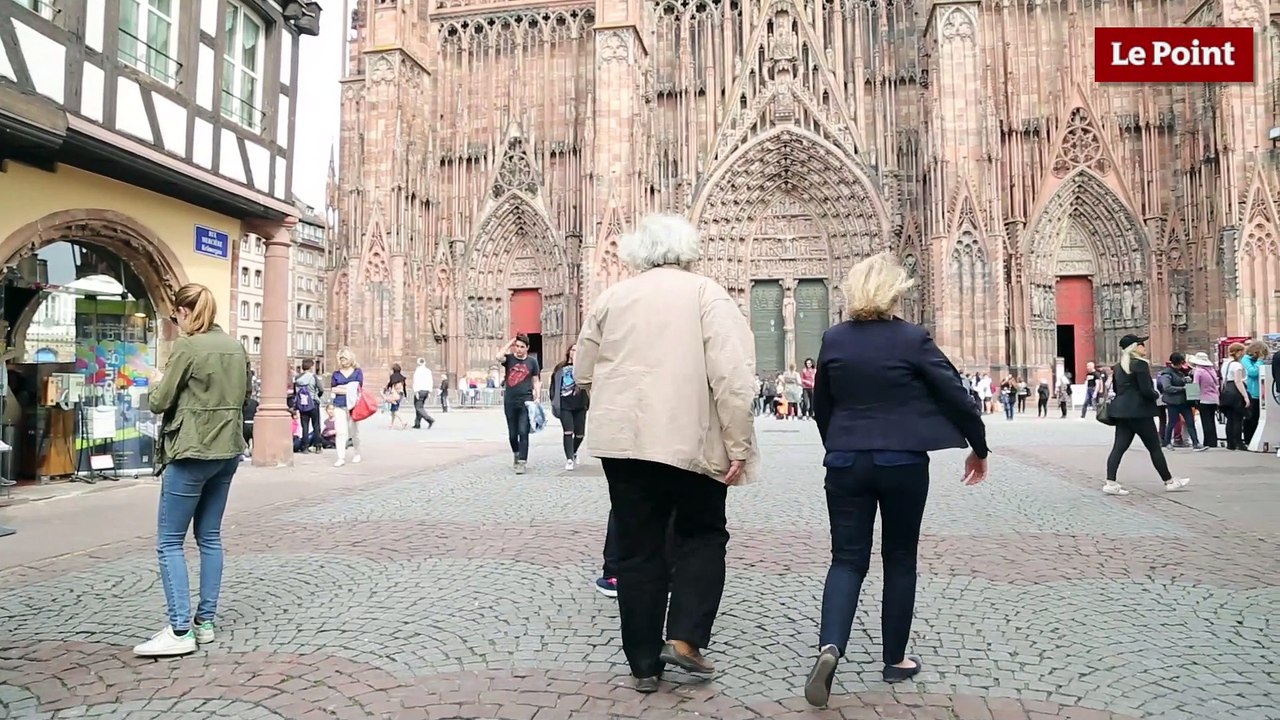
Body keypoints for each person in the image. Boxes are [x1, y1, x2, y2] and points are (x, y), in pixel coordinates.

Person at [575, 213, 757, 694]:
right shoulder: (706, 294)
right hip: (690, 440)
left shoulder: (612, 298)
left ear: (640, 253)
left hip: (625, 445)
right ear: (686, 250)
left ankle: (642, 663)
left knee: (637, 549)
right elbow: (733, 379)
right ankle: (684, 638)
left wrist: (614, 409)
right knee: (702, 534)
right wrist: (739, 444)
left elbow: (583, 369)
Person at [802, 253, 989, 708]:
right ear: (893, 292)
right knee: (900, 557)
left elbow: (822, 405)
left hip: (846, 461)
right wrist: (978, 447)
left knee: (846, 559)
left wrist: (839, 445)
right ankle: (894, 659)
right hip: (901, 462)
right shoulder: (911, 338)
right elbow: (956, 395)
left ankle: (830, 648)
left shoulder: (834, 339)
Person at [133, 283, 249, 657]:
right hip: (227, 451)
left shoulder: (187, 346)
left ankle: (181, 629)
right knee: (210, 538)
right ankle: (205, 623)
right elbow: (243, 396)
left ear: (184, 312)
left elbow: (160, 401)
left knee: (169, 542)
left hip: (191, 452)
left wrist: (154, 380)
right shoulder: (234, 346)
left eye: (175, 315)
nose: (176, 321)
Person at [1102, 335, 1190, 496]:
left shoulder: (1118, 366)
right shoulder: (1140, 364)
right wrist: (1155, 394)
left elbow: (1118, 389)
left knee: (1118, 447)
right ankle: (1169, 481)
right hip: (1140, 412)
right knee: (1154, 447)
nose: (1144, 347)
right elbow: (1145, 390)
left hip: (1122, 412)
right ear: (1134, 347)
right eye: (1141, 344)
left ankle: (1110, 482)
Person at [496, 334, 542, 474]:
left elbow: (535, 380)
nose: (519, 349)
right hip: (510, 400)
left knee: (523, 431)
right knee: (512, 434)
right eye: (517, 346)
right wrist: (510, 343)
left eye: (522, 347)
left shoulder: (532, 362)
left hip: (526, 401)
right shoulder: (509, 359)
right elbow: (498, 357)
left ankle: (522, 461)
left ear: (527, 348)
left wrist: (537, 395)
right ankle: (516, 453)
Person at [551, 345, 589, 470]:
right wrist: (553, 399)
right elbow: (554, 384)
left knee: (580, 434)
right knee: (568, 431)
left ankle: (573, 451)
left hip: (580, 404)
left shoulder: (584, 368)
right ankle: (569, 459)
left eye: (578, 350)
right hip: (564, 404)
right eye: (573, 350)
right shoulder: (560, 368)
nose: (575, 352)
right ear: (568, 352)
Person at [1157, 353, 1204, 451]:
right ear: (1178, 362)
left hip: (1185, 402)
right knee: (1172, 422)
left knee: (1190, 422)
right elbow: (1167, 387)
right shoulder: (1167, 374)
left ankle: (1196, 443)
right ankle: (1167, 442)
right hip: (1173, 402)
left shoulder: (1180, 372)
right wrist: (1183, 388)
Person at [330, 348, 364, 467]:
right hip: (339, 404)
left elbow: (358, 388)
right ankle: (341, 457)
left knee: (354, 432)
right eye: (340, 358)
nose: (342, 361)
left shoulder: (357, 372)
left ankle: (357, 453)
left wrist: (342, 388)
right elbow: (333, 389)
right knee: (340, 432)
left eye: (344, 358)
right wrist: (348, 388)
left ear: (350, 358)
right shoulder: (336, 374)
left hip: (354, 406)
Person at [1220, 342, 1250, 450]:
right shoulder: (1237, 365)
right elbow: (1238, 381)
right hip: (1235, 392)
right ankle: (1239, 442)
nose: (1243, 354)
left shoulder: (1225, 364)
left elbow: (1223, 380)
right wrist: (1245, 396)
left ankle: (1230, 443)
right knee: (1238, 419)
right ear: (1238, 352)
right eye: (1242, 351)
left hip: (1226, 391)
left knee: (1230, 419)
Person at [1188, 352, 1220, 449]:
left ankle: (1208, 442)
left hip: (1204, 399)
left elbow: (1195, 385)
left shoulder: (1199, 371)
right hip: (1214, 399)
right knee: (1211, 421)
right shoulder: (1212, 371)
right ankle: (1213, 441)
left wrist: (1192, 398)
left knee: (1206, 422)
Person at [293, 359, 322, 452]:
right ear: (311, 367)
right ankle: (318, 446)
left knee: (304, 426)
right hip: (313, 402)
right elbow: (321, 389)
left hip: (303, 404)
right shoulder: (313, 377)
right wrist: (318, 396)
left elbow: (295, 392)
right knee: (316, 425)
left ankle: (305, 447)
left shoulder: (297, 378)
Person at [411, 358, 436, 429]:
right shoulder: (428, 371)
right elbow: (430, 381)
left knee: (418, 407)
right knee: (419, 407)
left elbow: (416, 381)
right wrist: (429, 391)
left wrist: (416, 391)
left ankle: (429, 420)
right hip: (426, 391)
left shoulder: (418, 371)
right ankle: (417, 424)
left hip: (420, 390)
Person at [385, 363, 408, 429]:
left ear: (393, 370)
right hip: (400, 394)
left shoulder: (393, 377)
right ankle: (391, 424)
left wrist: (386, 390)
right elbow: (404, 387)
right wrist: (405, 396)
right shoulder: (401, 377)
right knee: (393, 410)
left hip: (395, 395)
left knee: (395, 411)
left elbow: (390, 385)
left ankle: (403, 421)